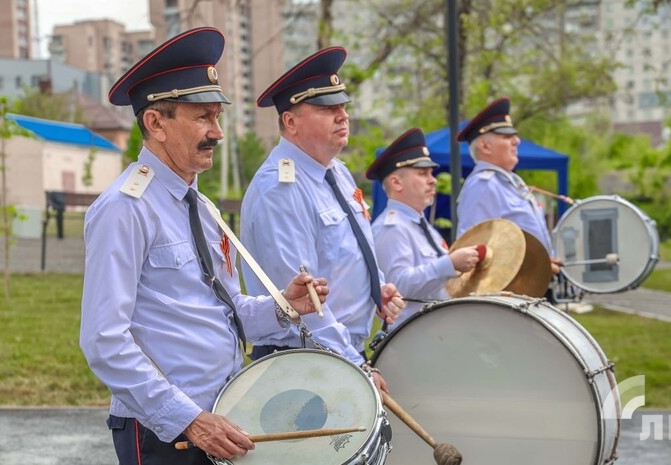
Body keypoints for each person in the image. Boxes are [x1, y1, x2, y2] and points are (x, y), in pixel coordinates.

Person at [80, 27, 329, 465]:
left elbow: (226, 311)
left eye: (217, 117)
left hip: (221, 417)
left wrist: (282, 307)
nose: (217, 132)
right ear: (155, 123)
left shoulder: (201, 205)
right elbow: (104, 340)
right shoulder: (125, 208)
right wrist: (187, 419)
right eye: (202, 118)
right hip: (166, 433)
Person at [239, 46, 405, 390]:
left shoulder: (336, 171)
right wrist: (354, 365)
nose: (342, 116)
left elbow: (348, 250)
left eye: (343, 106)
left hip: (338, 354)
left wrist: (376, 289)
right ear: (290, 122)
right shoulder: (280, 189)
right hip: (305, 360)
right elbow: (305, 304)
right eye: (327, 109)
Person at [368, 128, 482, 331]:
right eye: (422, 173)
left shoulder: (423, 227)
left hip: (436, 331)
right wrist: (450, 263)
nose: (433, 179)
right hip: (411, 336)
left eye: (431, 173)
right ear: (396, 183)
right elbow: (397, 286)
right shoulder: (391, 228)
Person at [455, 97, 562, 276]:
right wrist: (536, 266)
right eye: (506, 136)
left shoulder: (508, 182)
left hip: (529, 283)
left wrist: (544, 261)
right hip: (508, 287)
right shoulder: (484, 185)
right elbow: (474, 252)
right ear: (485, 146)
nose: (516, 141)